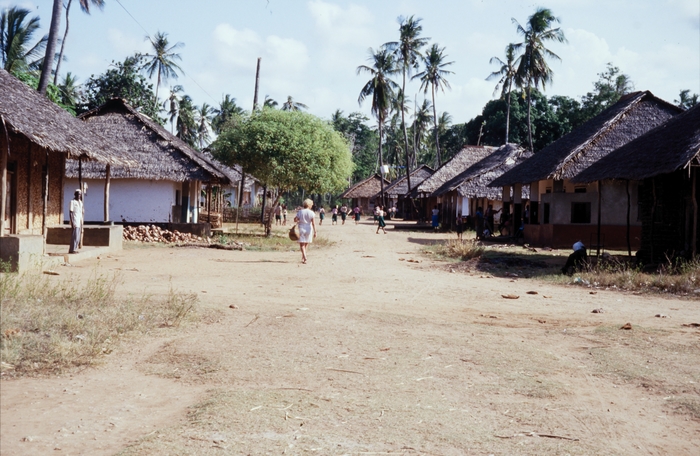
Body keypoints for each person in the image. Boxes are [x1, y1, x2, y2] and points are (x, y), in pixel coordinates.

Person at [294, 199, 317, 264]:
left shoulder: (300, 212)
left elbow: (295, 219)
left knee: (302, 244)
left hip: (301, 228)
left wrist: (297, 220)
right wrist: (315, 232)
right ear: (309, 205)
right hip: (309, 229)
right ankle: (304, 257)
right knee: (306, 243)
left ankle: (304, 257)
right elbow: (313, 223)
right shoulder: (312, 213)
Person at [69, 189, 83, 253]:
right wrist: (72, 222)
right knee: (74, 236)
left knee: (78, 236)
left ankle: (75, 248)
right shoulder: (72, 202)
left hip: (79, 221)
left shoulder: (80, 202)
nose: (78, 195)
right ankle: (72, 249)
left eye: (80, 194)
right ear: (75, 194)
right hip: (75, 220)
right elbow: (71, 212)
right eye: (77, 194)